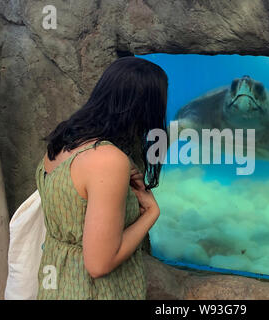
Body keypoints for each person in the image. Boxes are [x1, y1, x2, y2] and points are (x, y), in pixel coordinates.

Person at [35, 56, 168, 299]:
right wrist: (151, 213)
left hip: (57, 281)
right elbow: (99, 264)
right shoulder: (108, 160)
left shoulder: (64, 138)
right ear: (148, 107)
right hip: (93, 291)